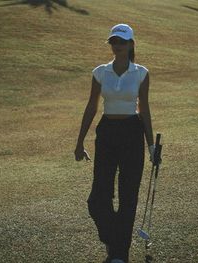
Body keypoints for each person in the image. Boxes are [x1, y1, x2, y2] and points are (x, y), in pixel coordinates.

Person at [74, 24, 155, 263]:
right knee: (99, 198)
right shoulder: (100, 72)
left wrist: (151, 146)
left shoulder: (141, 73)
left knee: (128, 196)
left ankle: (119, 255)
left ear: (131, 44)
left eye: (121, 41)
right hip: (107, 133)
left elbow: (145, 110)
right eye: (113, 41)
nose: (117, 45)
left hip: (132, 133)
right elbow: (91, 107)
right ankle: (113, 241)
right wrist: (79, 142)